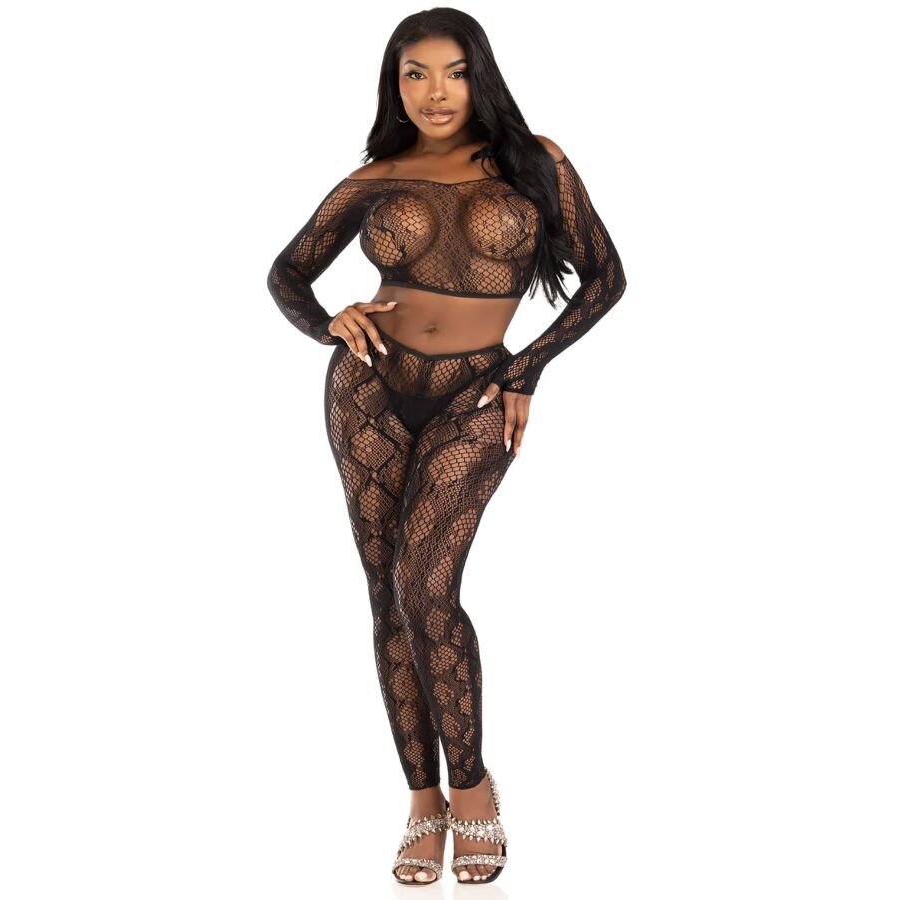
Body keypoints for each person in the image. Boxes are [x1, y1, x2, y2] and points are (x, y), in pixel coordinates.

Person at [266, 8, 627, 885]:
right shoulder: (376, 178)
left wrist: (526, 368)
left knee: (425, 588)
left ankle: (472, 789)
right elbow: (286, 272)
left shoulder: (535, 161)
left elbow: (606, 278)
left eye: (454, 73)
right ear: (394, 86)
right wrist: (328, 323)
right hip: (367, 388)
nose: (435, 93)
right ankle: (421, 800)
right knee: (385, 595)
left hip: (477, 392)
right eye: (415, 74)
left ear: (481, 77)